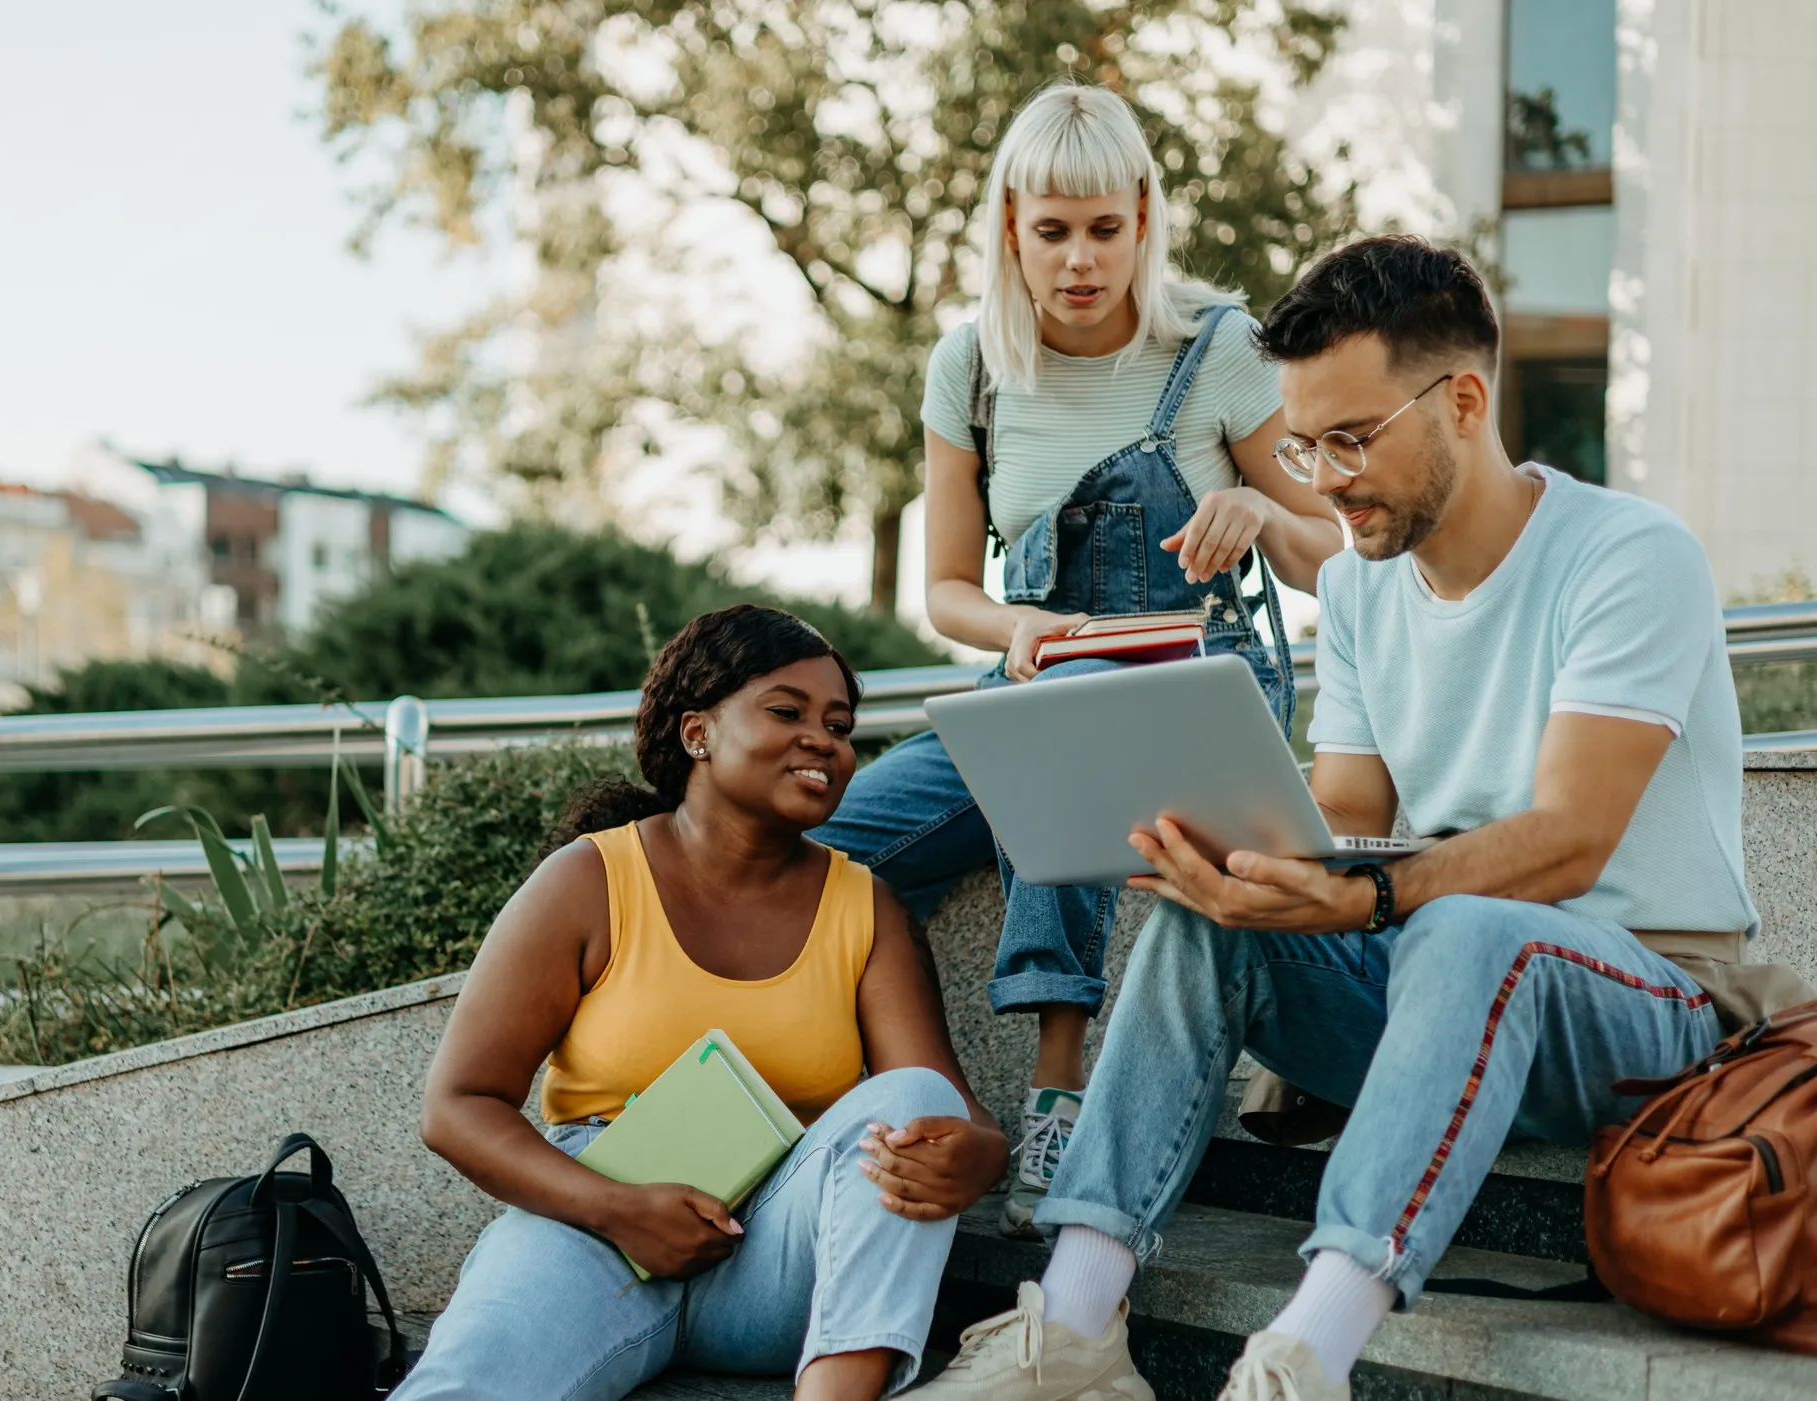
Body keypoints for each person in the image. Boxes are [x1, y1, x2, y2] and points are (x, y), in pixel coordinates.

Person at [911, 235, 1813, 1401]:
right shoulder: (1355, 585)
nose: (1322, 479)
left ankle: (1306, 1356)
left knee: (1467, 926)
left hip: (1648, 1007)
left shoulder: (1628, 556)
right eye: (1302, 445)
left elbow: (1570, 837)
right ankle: (1074, 1328)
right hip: (1431, 974)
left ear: (1463, 402)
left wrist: (1371, 896)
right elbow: (1343, 810)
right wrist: (1234, 855)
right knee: (1209, 920)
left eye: (1350, 438)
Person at [812, 76, 1343, 1240]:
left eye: (1106, 227)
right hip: (1038, 679)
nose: (1081, 259)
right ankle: (918, 1097)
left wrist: (1263, 513)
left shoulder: (1216, 347)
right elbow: (947, 590)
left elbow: (1334, 557)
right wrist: (1020, 630)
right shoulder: (969, 366)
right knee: (823, 852)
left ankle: (1057, 1090)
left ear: (1144, 217)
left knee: (1068, 715)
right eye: (1052, 230)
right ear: (1010, 226)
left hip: (1200, 685)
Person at [398, 604, 1010, 1401]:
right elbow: (457, 1106)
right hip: (590, 1232)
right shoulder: (589, 880)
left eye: (839, 725)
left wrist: (979, 1157)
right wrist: (618, 1208)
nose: (823, 741)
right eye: (787, 712)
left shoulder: (868, 908)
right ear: (698, 732)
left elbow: (945, 1106)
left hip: (775, 1256)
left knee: (908, 1101)